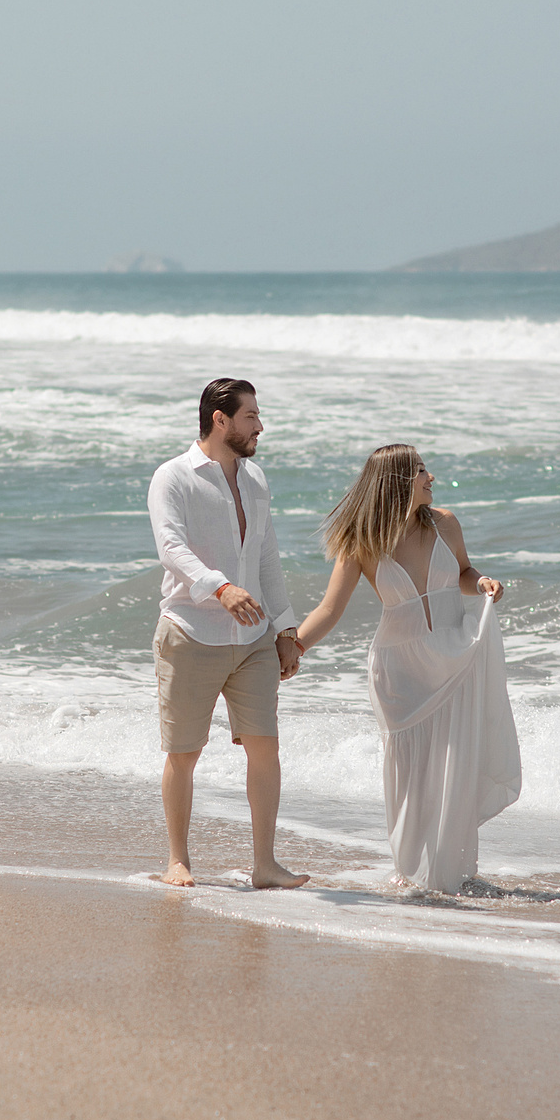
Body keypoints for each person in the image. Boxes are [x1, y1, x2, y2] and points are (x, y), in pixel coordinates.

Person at [292, 444, 521, 893]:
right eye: (420, 471)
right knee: (412, 772)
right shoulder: (363, 541)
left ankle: (451, 873)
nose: (430, 477)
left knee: (454, 764)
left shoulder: (445, 524)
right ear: (398, 481)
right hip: (400, 671)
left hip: (455, 657)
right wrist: (292, 647)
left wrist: (482, 582)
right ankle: (408, 873)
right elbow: (329, 609)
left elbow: (463, 572)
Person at [147, 378, 310, 890]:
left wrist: (286, 628)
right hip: (191, 632)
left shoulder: (256, 477)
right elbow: (171, 546)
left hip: (254, 640)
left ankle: (265, 864)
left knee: (266, 747)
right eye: (250, 417)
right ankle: (179, 861)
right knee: (184, 753)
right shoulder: (172, 477)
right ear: (220, 420)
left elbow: (266, 556)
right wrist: (220, 590)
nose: (260, 426)